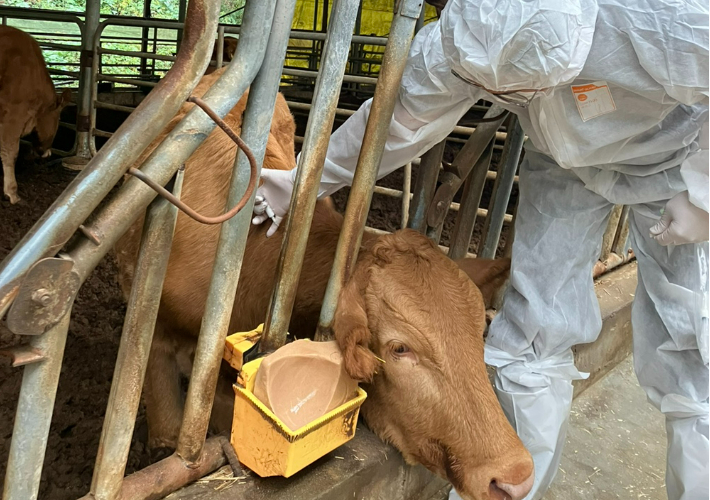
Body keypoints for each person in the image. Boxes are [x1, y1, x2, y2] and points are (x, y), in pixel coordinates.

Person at [252, 0, 710, 498]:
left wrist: (704, 193)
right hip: (565, 163)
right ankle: (505, 484)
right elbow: (397, 120)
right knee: (534, 327)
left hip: (676, 159)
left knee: (691, 341)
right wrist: (304, 182)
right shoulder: (466, 31)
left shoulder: (664, 16)